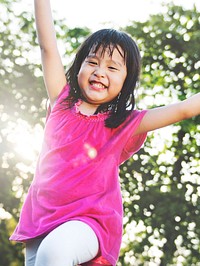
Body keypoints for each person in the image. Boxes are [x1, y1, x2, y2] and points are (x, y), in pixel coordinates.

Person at [10, 0, 200, 265]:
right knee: (46, 256)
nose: (100, 72)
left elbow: (183, 109)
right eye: (93, 62)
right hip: (40, 223)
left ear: (126, 81)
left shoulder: (124, 123)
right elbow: (47, 46)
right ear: (79, 67)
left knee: (54, 253)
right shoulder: (61, 104)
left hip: (89, 223)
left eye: (112, 68)